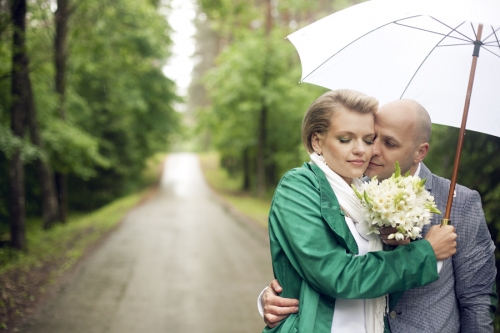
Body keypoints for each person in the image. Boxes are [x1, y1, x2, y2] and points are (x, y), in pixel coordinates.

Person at [261, 99, 497, 332]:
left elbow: (477, 301)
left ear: (420, 152)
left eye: (389, 143)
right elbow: (331, 267)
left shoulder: (459, 203)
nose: (370, 150)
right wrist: (279, 293)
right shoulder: (352, 190)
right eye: (373, 138)